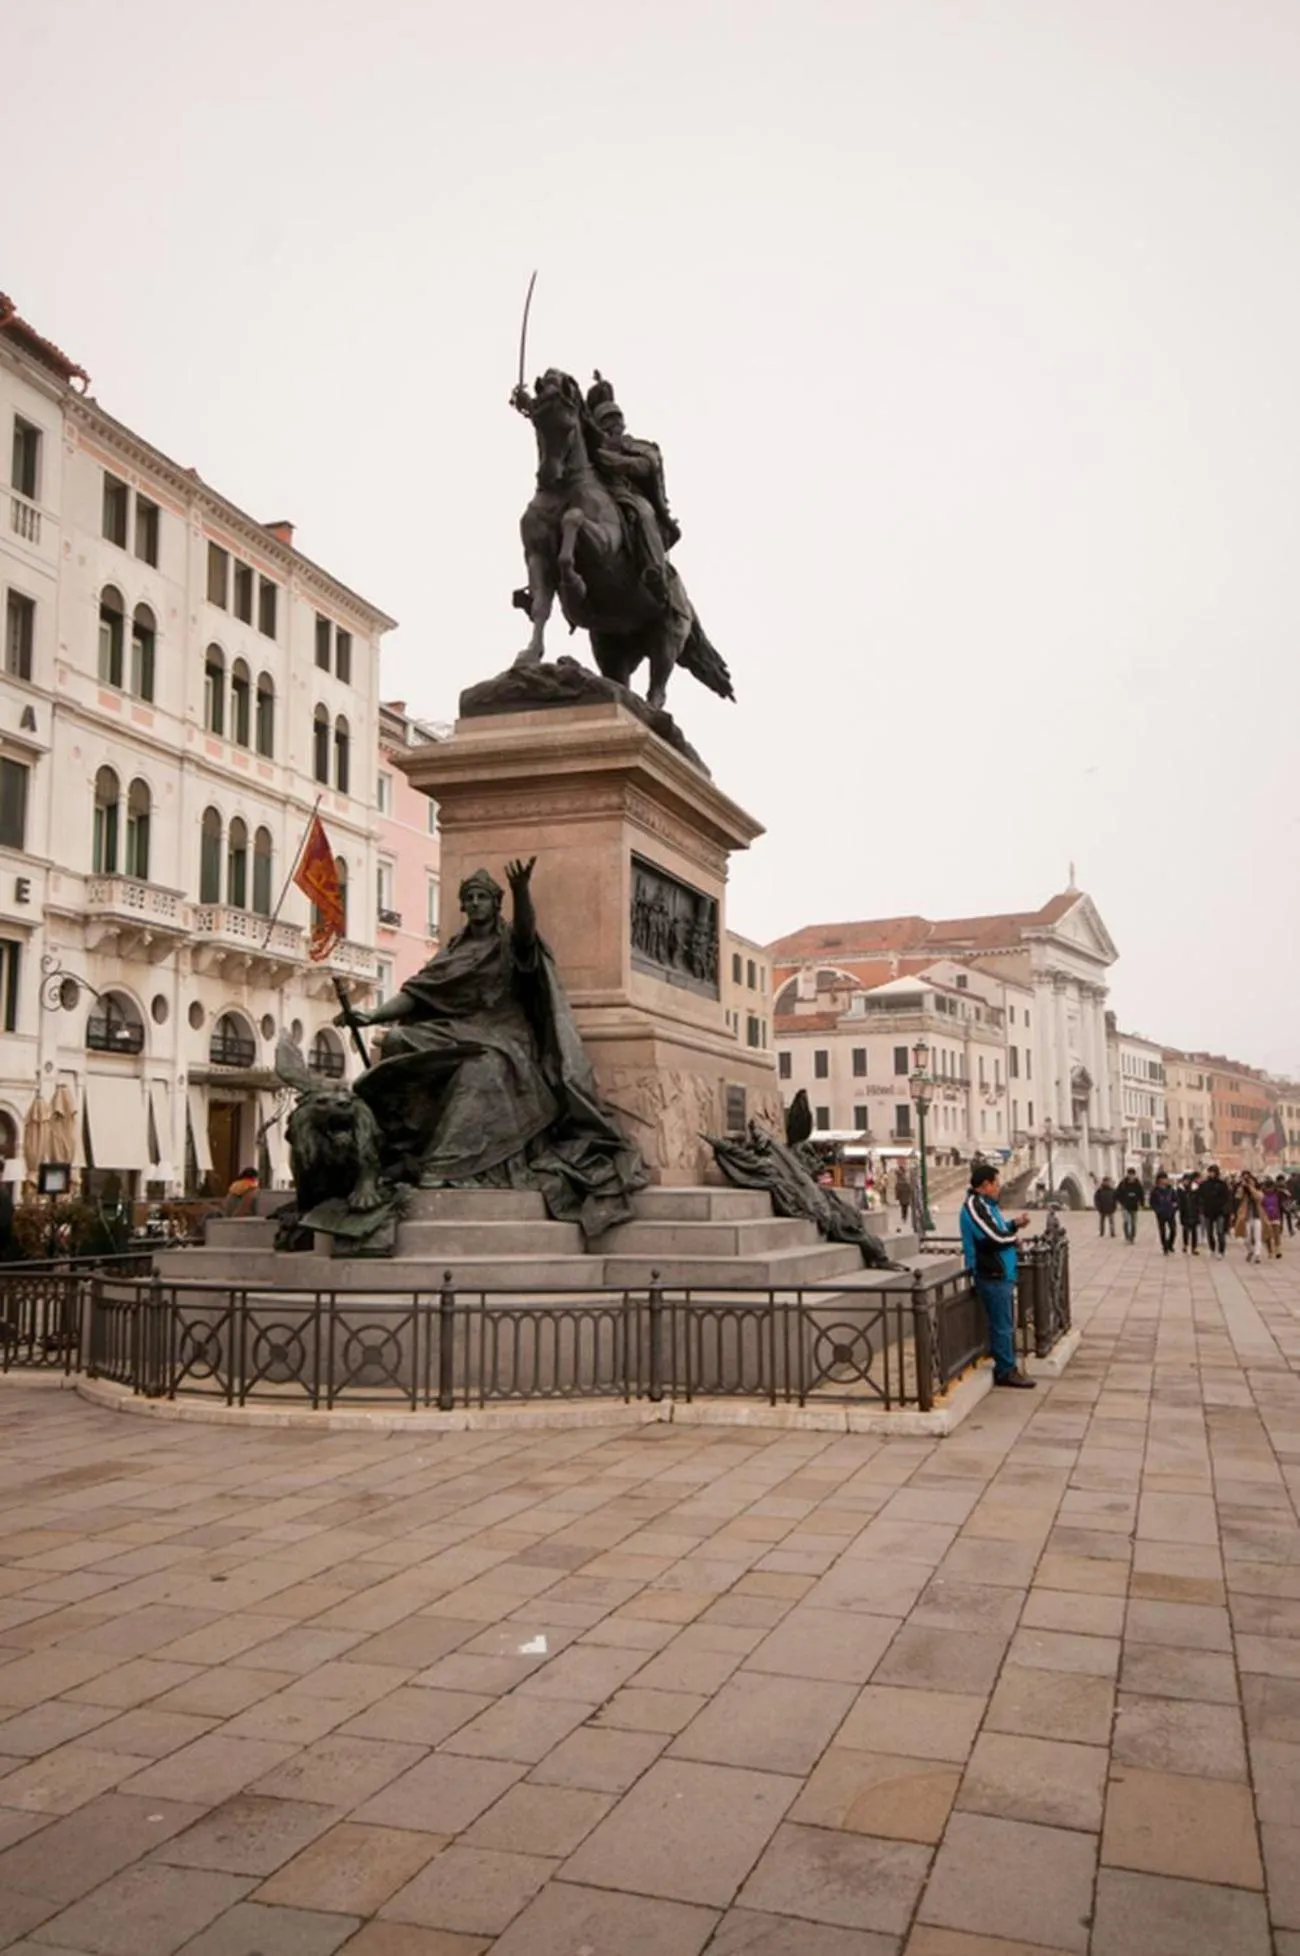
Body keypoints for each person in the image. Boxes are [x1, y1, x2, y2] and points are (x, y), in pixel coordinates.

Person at [339, 860, 643, 1238]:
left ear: (496, 904)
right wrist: (372, 1017)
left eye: (484, 897)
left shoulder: (508, 941)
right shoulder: (453, 951)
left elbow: (528, 937)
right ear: (463, 906)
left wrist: (521, 892)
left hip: (504, 1034)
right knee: (400, 1041)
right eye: (470, 897)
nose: (477, 902)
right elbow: (418, 993)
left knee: (480, 1068)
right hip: (459, 1029)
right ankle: (397, 1146)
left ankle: (449, 1162)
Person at [960, 1162, 1035, 1389]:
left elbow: (999, 1229)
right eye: (996, 1183)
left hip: (1001, 1271)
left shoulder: (988, 1205)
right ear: (985, 1185)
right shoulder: (974, 1206)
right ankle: (1005, 1370)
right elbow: (992, 1237)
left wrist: (1013, 1225)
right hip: (991, 1272)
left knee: (1004, 1322)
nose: (999, 1187)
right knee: (1002, 1325)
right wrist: (1014, 1239)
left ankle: (1005, 1363)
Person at [1199, 1164, 1230, 1257]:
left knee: (1220, 1232)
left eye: (1213, 1172)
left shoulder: (1222, 1184)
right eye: (1210, 1172)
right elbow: (1200, 1196)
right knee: (1209, 1232)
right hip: (1208, 1212)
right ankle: (1212, 1248)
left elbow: (1226, 1197)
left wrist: (1222, 1206)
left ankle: (1221, 1250)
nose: (1211, 1174)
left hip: (1220, 1211)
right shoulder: (1204, 1184)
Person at [1235, 1172, 1265, 1264]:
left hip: (1257, 1216)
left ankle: (1257, 1255)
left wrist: (1251, 1187)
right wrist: (1242, 1187)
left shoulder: (1258, 1190)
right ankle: (1250, 1250)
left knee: (1257, 1237)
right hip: (1246, 1217)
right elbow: (1237, 1196)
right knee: (1246, 1238)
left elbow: (1259, 1197)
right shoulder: (1243, 1192)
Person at [1150, 1171, 1179, 1256]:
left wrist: (1175, 1207)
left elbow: (1176, 1200)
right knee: (1162, 1231)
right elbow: (1152, 1203)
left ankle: (1170, 1244)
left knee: (1173, 1230)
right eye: (1162, 1179)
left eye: (1165, 1178)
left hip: (1170, 1213)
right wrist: (1157, 1210)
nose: (1164, 1180)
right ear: (1158, 1180)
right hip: (1161, 1214)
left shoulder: (1171, 1189)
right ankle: (1165, 1247)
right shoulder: (1155, 1191)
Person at [1116, 1168, 1145, 1244]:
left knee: (1133, 1222)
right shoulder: (1123, 1184)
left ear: (1134, 1175)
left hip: (1134, 1206)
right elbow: (1117, 1193)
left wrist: (1142, 1203)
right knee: (1126, 1221)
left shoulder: (1138, 1184)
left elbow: (1141, 1194)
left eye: (1132, 1175)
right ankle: (1127, 1236)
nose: (1131, 1176)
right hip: (1125, 1206)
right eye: (1130, 1174)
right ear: (1127, 1174)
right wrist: (1121, 1202)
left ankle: (1132, 1237)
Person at [1177, 1173, 1202, 1255]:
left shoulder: (1195, 1189)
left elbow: (1199, 1200)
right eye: (1185, 1180)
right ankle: (1185, 1245)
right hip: (1185, 1212)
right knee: (1185, 1230)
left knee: (1194, 1231)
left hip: (1194, 1212)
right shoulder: (1180, 1189)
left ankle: (1194, 1248)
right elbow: (1179, 1201)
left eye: (1188, 1180)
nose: (1186, 1182)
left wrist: (1199, 1209)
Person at [1261, 1177, 1284, 1260]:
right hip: (1266, 1218)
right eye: (1268, 1187)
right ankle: (1270, 1251)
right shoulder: (1262, 1195)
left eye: (1271, 1187)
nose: (1269, 1189)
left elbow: (1281, 1205)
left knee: (1276, 1234)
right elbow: (1261, 1206)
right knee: (1268, 1236)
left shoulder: (1277, 1195)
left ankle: (1278, 1251)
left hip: (1275, 1216)